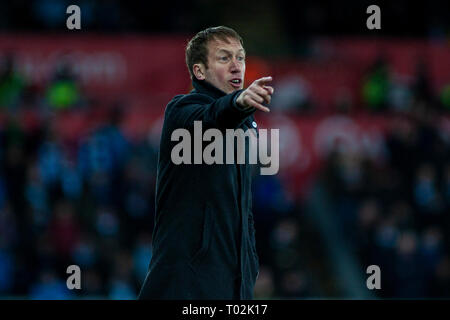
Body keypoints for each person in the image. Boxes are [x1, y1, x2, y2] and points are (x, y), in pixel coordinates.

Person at [138, 26, 274, 300]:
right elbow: (213, 117)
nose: (237, 66)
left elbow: (241, 209)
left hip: (233, 284)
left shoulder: (246, 124)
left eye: (240, 57)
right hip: (186, 283)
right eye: (224, 58)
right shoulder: (181, 112)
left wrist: (248, 266)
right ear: (200, 72)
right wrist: (237, 102)